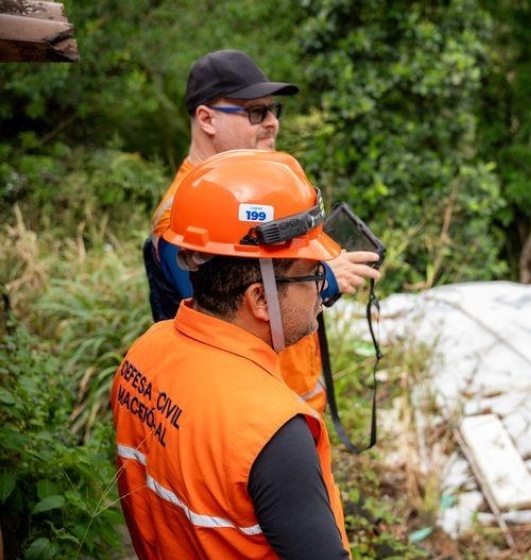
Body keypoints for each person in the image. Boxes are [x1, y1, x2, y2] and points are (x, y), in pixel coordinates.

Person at [113, 149, 351, 559]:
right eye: (313, 273)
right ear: (260, 298)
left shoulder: (144, 353)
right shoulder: (274, 433)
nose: (321, 288)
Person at [144, 49, 380, 412]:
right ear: (207, 119)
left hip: (292, 401)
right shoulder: (183, 216)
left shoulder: (245, 192)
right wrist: (324, 279)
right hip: (253, 414)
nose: (272, 123)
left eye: (273, 110)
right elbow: (224, 321)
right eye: (256, 112)